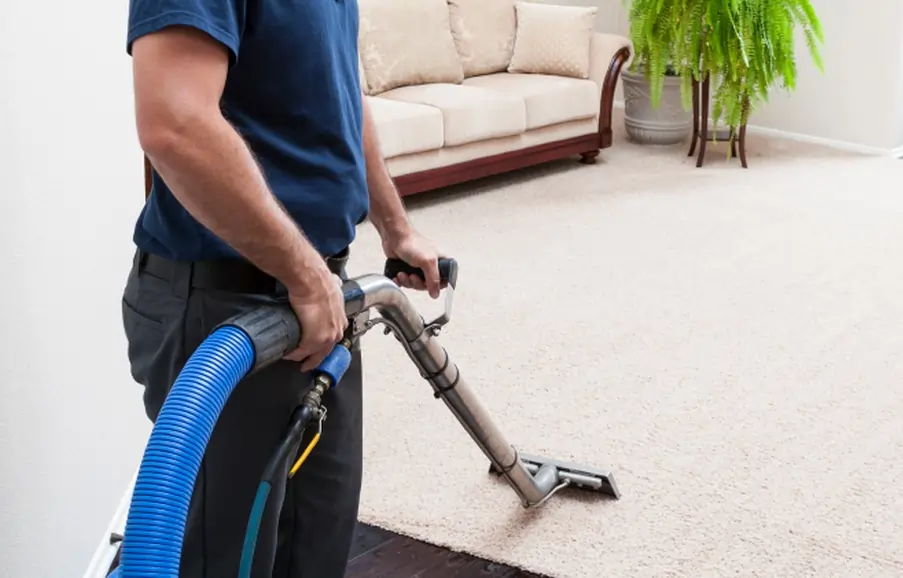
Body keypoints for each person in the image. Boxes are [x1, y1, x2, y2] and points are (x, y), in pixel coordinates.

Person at [120, 0, 445, 576]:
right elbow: (174, 122)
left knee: (316, 541)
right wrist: (303, 272)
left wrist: (396, 229)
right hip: (224, 304)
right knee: (220, 558)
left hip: (320, 293)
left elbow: (343, 97)